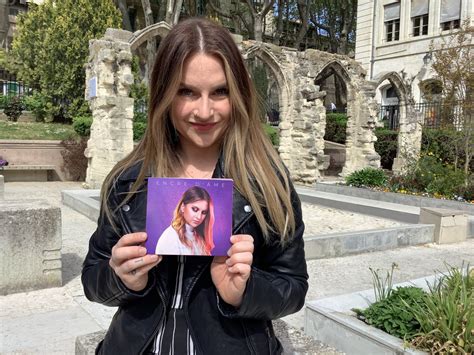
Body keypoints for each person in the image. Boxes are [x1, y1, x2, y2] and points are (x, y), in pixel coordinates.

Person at [82, 17, 308, 355]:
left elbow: (293, 288)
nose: (204, 111)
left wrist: (244, 290)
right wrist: (121, 277)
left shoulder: (267, 182)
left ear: (239, 95)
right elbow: (92, 280)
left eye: (219, 92)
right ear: (164, 94)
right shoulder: (128, 179)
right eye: (187, 92)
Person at [155, 186, 214, 256]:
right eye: (195, 209)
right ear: (183, 207)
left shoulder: (199, 237)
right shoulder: (170, 237)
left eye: (204, 212)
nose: (199, 217)